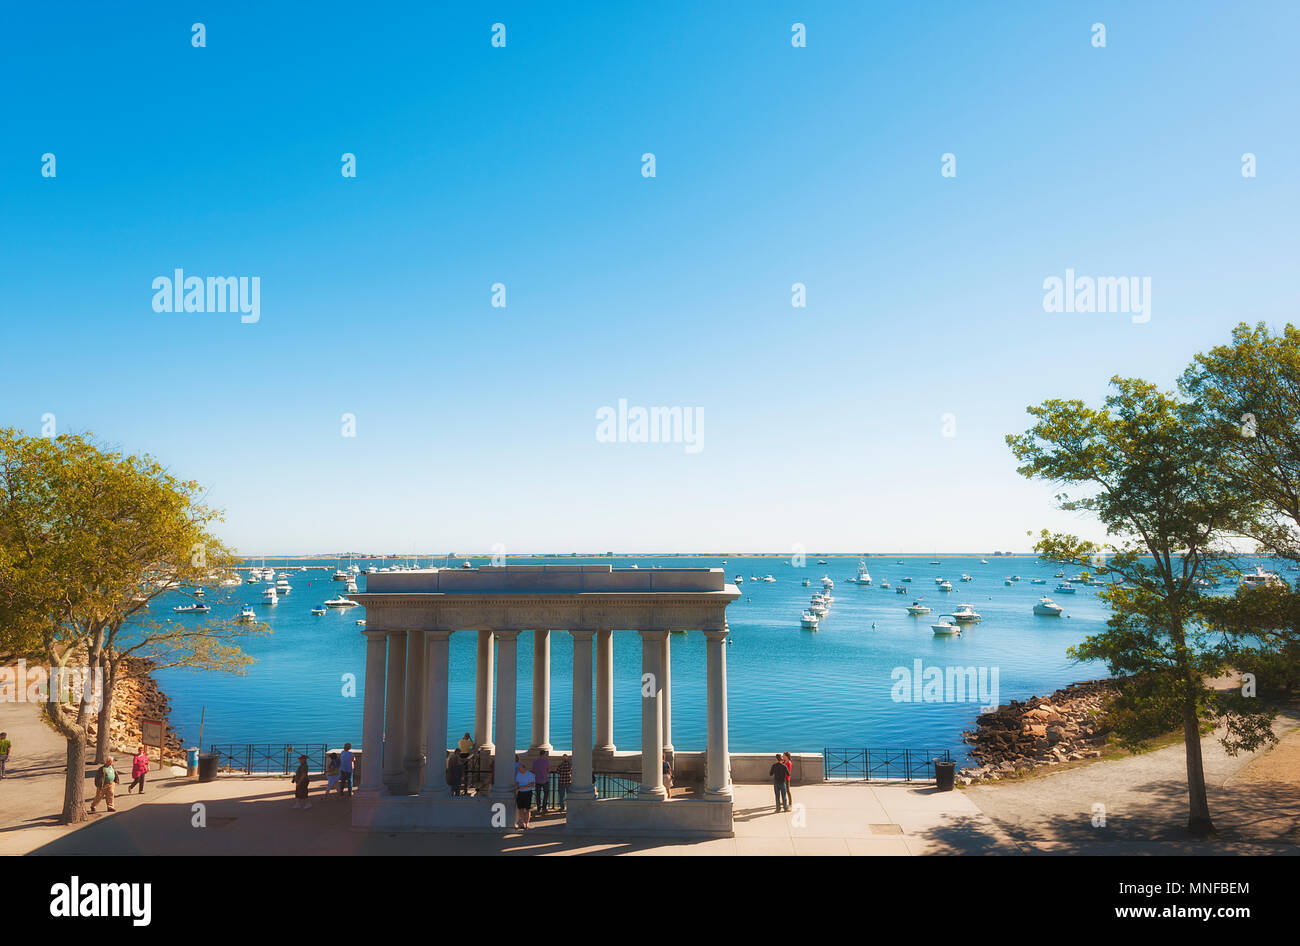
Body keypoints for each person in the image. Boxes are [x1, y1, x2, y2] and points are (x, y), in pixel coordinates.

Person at [514, 760, 535, 830]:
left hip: (527, 792)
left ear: (524, 768)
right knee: (521, 808)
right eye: (518, 769)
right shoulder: (518, 774)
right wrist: (516, 786)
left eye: (520, 769)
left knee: (527, 809)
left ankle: (527, 823)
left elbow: (532, 784)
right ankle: (522, 823)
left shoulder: (529, 774)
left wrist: (523, 787)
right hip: (520, 793)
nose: (519, 770)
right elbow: (517, 782)